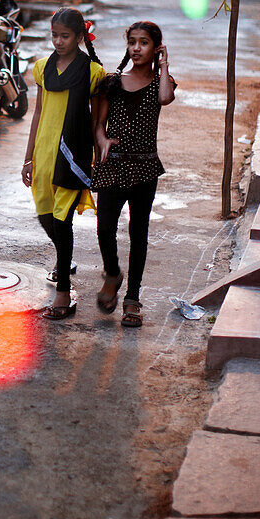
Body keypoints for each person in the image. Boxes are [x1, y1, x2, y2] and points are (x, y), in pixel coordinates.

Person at [21, 8, 105, 320]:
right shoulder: (42, 68)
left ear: (81, 37)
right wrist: (28, 157)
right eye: (54, 35)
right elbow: (39, 113)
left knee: (62, 219)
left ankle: (64, 295)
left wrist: (98, 159)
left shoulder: (93, 72)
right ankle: (63, 256)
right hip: (44, 154)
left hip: (73, 155)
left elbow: (98, 121)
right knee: (45, 214)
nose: (58, 41)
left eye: (65, 36)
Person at [91, 21, 176, 327]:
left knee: (138, 233)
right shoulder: (113, 81)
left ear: (155, 48)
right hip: (112, 164)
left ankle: (132, 299)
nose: (137, 48)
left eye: (144, 43)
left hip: (145, 166)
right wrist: (101, 141)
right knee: (104, 229)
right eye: (132, 42)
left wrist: (164, 65)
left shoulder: (160, 82)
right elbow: (98, 123)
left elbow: (165, 98)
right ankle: (112, 274)